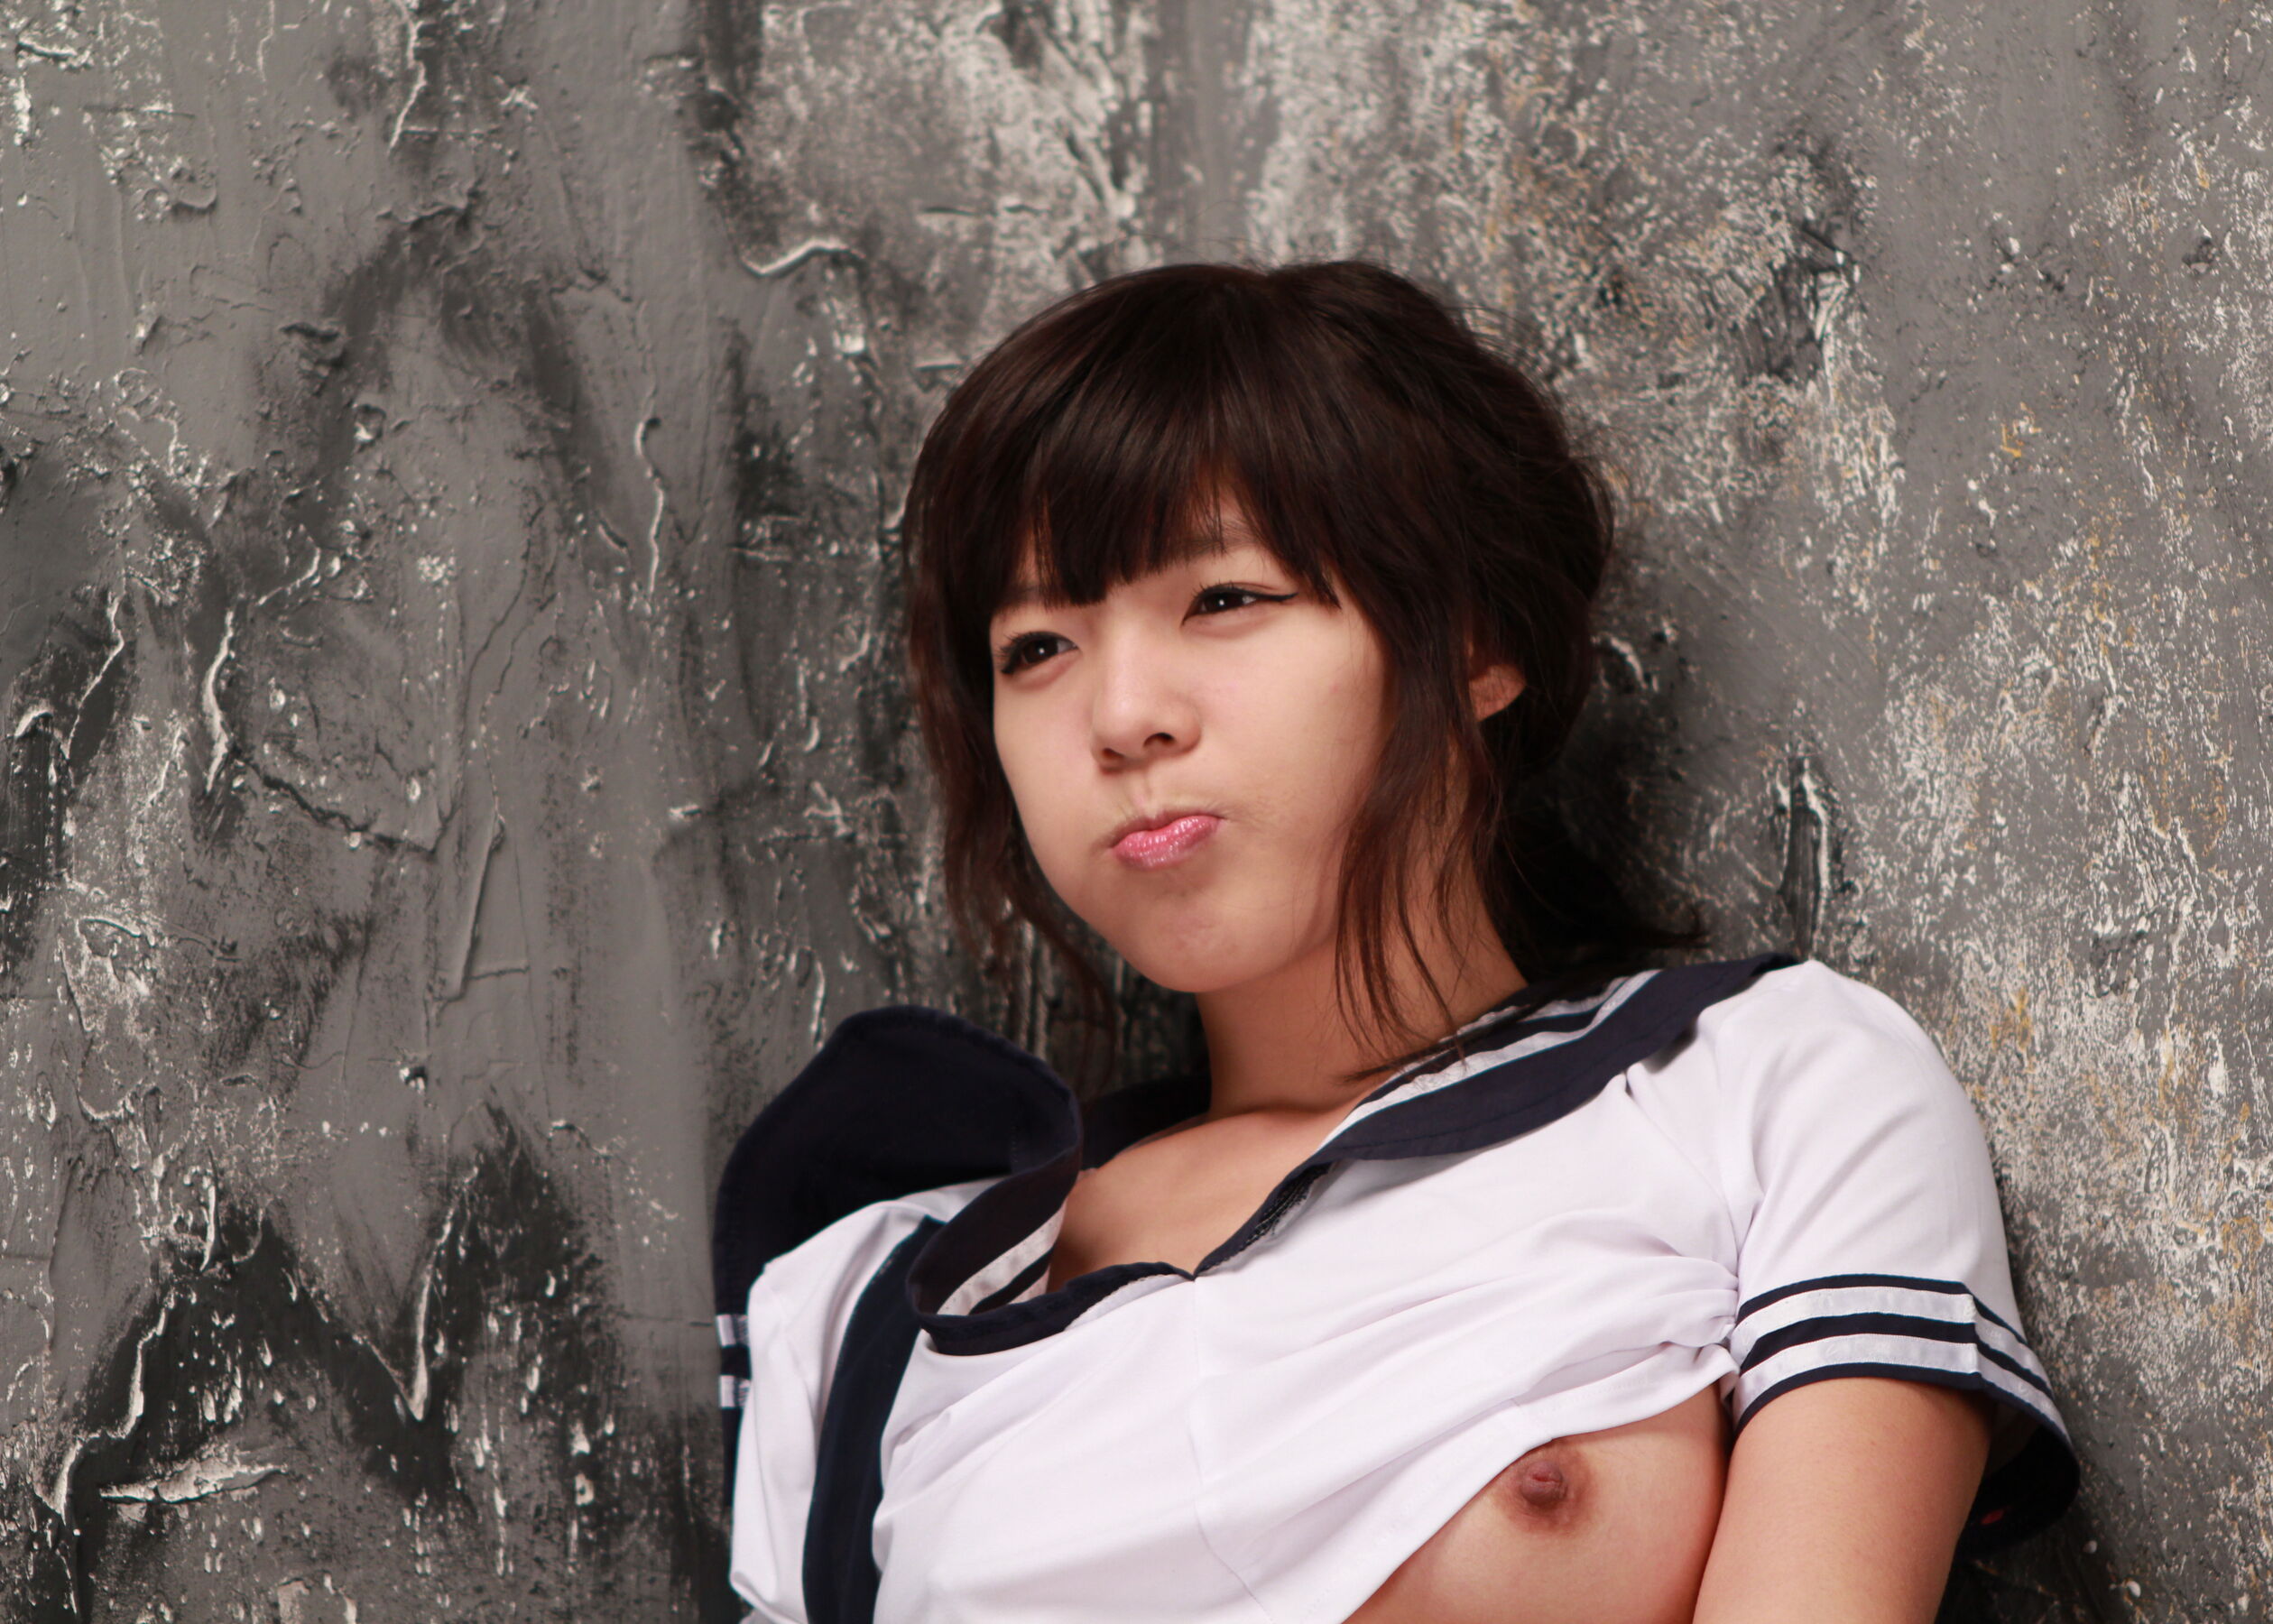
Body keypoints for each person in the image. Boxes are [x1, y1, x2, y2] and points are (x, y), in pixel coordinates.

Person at [713, 261, 2078, 1624]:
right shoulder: (868, 1294)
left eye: (1225, 598)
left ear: (1479, 641)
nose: (1122, 718)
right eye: (1036, 649)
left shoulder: (1763, 1088)